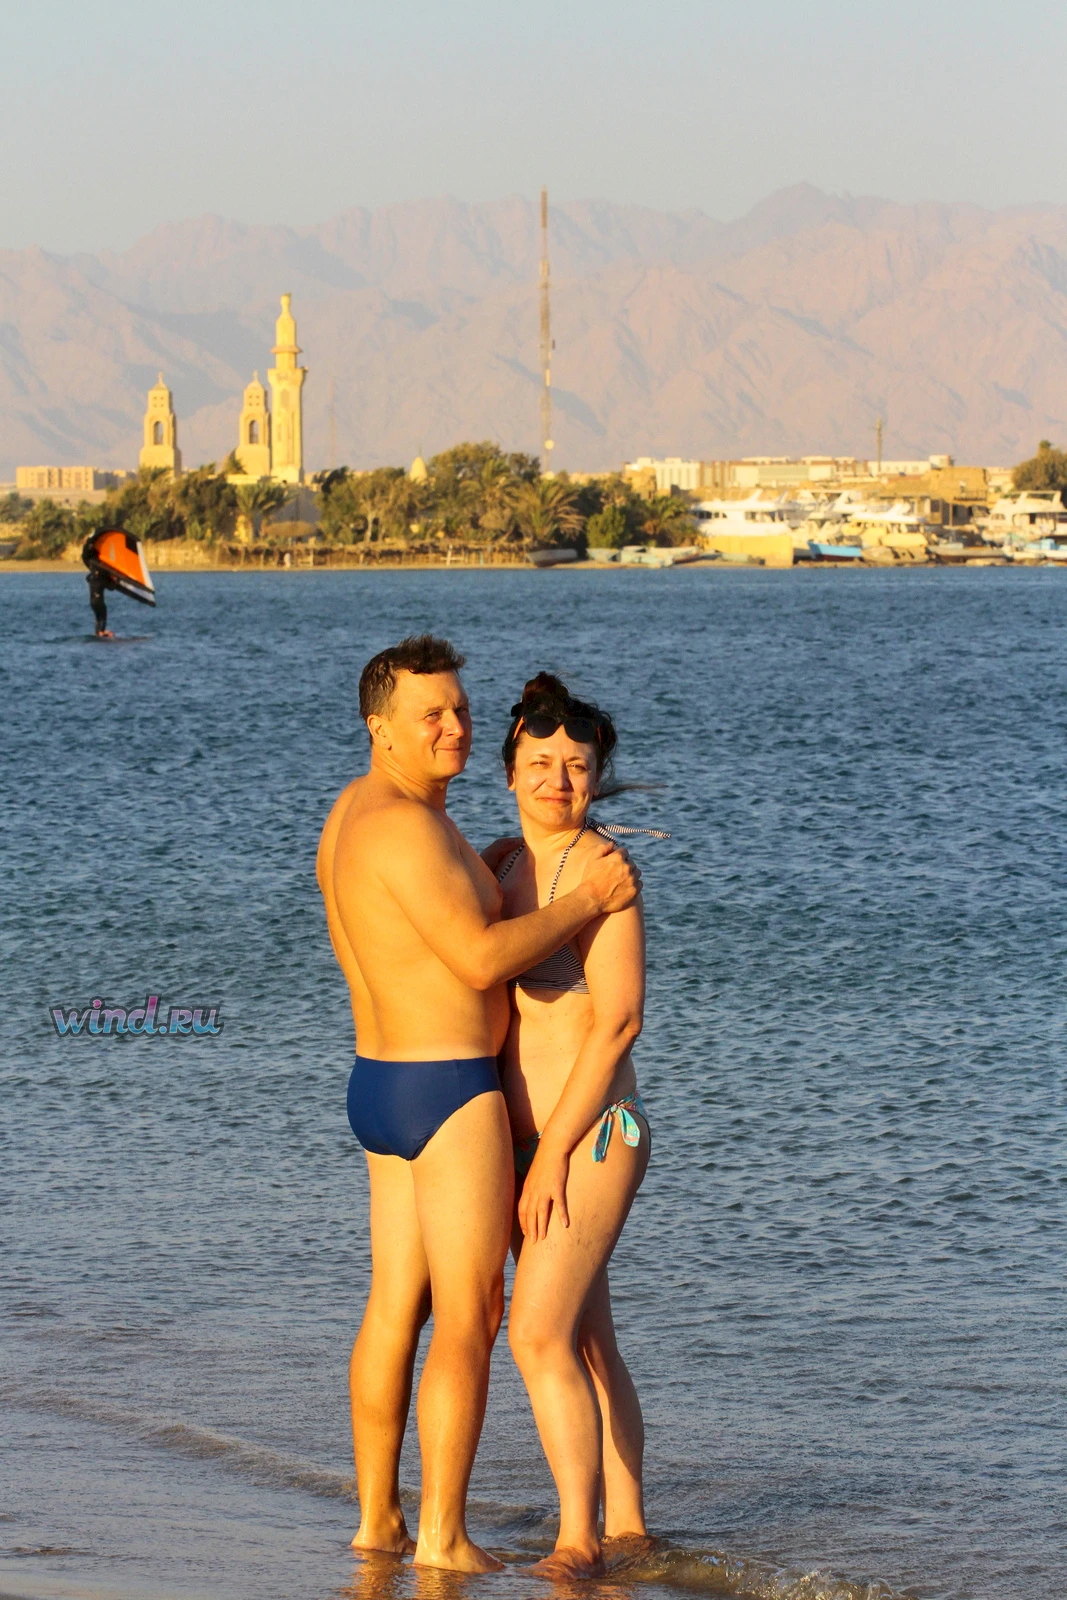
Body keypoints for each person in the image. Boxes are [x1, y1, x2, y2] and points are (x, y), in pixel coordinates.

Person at [316, 636, 641, 1573]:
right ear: (380, 728)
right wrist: (585, 901)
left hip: (380, 1081)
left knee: (393, 1309)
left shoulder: (357, 812)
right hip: (450, 1088)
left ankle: (378, 1522)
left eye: (459, 709)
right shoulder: (411, 828)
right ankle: (443, 1537)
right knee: (470, 1318)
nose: (453, 726)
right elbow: (476, 959)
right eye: (431, 715)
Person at [495, 673, 653, 1579]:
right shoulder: (501, 864)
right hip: (528, 1146)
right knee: (588, 1340)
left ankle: (576, 1543)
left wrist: (551, 1151)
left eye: (577, 766)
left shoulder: (605, 874)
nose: (558, 781)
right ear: (509, 770)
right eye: (541, 763)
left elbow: (618, 1022)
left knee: (536, 1334)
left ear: (597, 776)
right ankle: (628, 1527)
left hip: (590, 1136)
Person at [82, 537, 116, 637]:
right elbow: (111, 587)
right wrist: (115, 580)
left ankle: (98, 632)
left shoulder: (92, 578)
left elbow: (88, 577)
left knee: (98, 617)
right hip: (99, 601)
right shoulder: (101, 579)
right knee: (103, 615)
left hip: (92, 602)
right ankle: (101, 632)